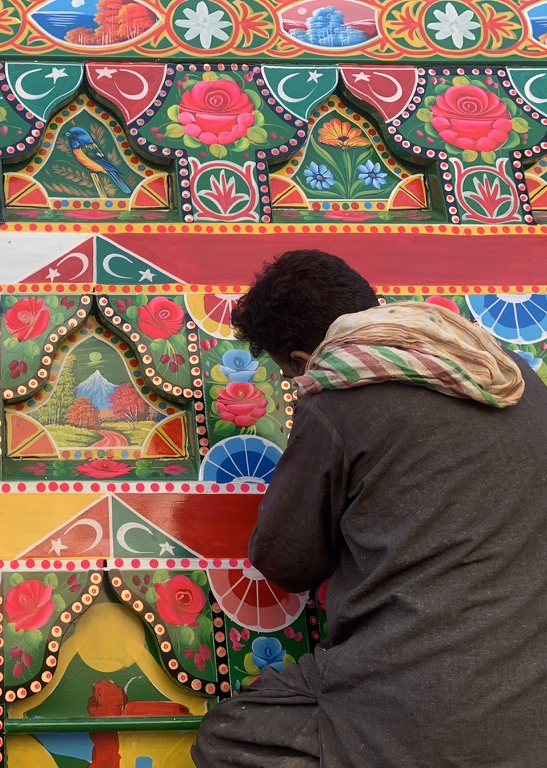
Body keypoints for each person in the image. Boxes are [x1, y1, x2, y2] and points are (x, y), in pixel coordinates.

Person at [191, 250, 547, 767]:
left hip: (422, 696)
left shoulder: (339, 396)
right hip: (534, 693)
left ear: (297, 360)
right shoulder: (510, 372)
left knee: (227, 738)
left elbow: (285, 560)